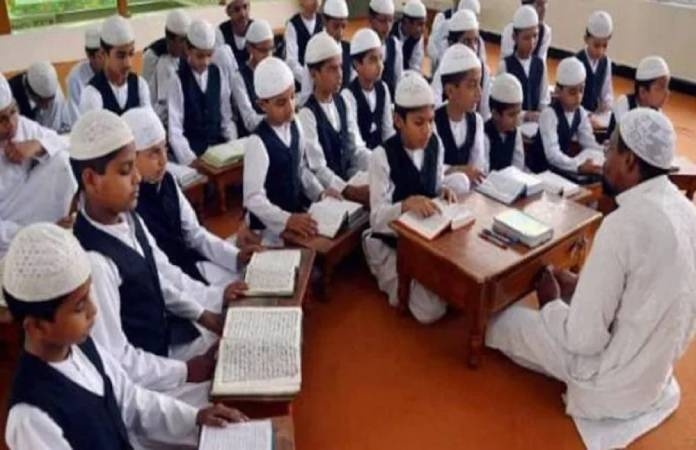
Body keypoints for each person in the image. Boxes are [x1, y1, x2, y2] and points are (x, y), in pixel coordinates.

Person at [487, 108, 696, 450]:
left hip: (612, 383)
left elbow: (583, 340)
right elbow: (645, 296)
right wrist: (579, 288)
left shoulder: (622, 225)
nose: (604, 157)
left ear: (630, 160)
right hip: (656, 375)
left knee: (501, 322)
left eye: (610, 148)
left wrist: (550, 300)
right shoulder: (688, 212)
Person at [2, 223, 246, 450]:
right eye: (79, 306)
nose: (93, 310)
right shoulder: (30, 416)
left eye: (89, 297)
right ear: (37, 327)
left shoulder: (82, 348)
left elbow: (131, 401)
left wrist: (194, 418)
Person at [68, 110, 244, 365]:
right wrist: (186, 372)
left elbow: (159, 276)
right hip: (149, 366)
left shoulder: (128, 217)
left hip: (164, 339)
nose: (137, 177)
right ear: (91, 179)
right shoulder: (95, 260)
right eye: (126, 170)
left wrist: (204, 314)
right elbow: (121, 363)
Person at [363, 72, 469, 324]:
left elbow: (435, 182)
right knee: (430, 310)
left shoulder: (435, 144)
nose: (427, 130)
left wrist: (442, 190)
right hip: (389, 241)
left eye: (431, 121)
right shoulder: (381, 157)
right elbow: (376, 219)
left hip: (425, 238)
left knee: (460, 290)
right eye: (419, 123)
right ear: (398, 121)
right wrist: (405, 205)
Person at [125, 107, 255, 287]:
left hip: (189, 263)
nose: (163, 160)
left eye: (165, 149)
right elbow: (161, 273)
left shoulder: (168, 181)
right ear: (132, 158)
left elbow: (195, 234)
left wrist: (235, 256)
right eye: (153, 153)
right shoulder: (128, 204)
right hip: (170, 283)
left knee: (246, 276)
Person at [242, 57, 327, 245]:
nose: (290, 108)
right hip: (267, 229)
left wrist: (320, 193)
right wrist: (286, 220)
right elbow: (253, 198)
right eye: (281, 103)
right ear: (262, 105)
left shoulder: (296, 124)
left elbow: (300, 169)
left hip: (295, 215)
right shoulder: (257, 142)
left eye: (292, 97)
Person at [0, 75, 76, 258]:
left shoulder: (22, 126)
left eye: (13, 112)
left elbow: (68, 142)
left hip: (31, 209)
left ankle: (63, 226)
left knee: (62, 161)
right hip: (8, 231)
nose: (11, 124)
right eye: (1, 119)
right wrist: (37, 234)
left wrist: (37, 146)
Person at [299, 32, 372, 206]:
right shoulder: (307, 114)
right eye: (332, 69)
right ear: (314, 74)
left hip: (347, 181)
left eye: (340, 67)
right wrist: (348, 190)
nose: (340, 74)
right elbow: (318, 169)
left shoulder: (343, 101)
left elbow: (355, 148)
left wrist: (379, 162)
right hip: (327, 194)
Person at [168, 18, 236, 166]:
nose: (205, 62)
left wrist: (233, 146)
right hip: (192, 154)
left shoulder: (218, 74)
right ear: (187, 50)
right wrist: (190, 160)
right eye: (200, 56)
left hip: (218, 152)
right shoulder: (177, 80)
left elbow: (226, 119)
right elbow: (175, 131)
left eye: (209, 55)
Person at [528, 57, 603, 176]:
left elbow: (589, 142)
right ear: (558, 91)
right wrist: (578, 167)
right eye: (572, 92)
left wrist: (606, 152)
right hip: (539, 172)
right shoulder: (549, 115)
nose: (578, 97)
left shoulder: (580, 112)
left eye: (581, 90)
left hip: (560, 171)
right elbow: (552, 155)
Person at [433, 44, 486, 186]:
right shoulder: (432, 122)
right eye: (472, 85)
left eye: (479, 84)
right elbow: (431, 169)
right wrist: (457, 170)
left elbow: (477, 169)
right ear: (450, 91)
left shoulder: (476, 121)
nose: (479, 93)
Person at [79, 15, 151, 115]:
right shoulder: (92, 94)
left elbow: (148, 122)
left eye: (131, 54)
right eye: (120, 56)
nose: (128, 63)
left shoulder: (140, 85)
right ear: (103, 54)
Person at [431, 9, 491, 119]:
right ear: (452, 43)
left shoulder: (483, 69)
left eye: (475, 41)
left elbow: (485, 111)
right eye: (467, 41)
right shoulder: (445, 69)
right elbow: (435, 106)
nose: (473, 47)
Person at [341, 28, 395, 150]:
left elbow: (388, 131)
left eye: (380, 58)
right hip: (360, 158)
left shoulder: (383, 88)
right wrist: (375, 159)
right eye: (373, 60)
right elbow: (354, 142)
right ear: (357, 64)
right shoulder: (348, 95)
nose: (380, 65)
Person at [498, 5, 550, 128]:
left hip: (535, 126)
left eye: (535, 36)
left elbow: (544, 100)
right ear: (515, 37)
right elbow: (501, 105)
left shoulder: (540, 65)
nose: (532, 42)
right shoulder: (505, 65)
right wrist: (525, 115)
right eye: (526, 38)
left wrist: (541, 115)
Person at [298, 0, 353, 106]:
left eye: (343, 26)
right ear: (324, 21)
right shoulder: (315, 47)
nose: (340, 32)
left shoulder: (348, 48)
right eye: (336, 26)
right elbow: (306, 91)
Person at [141, 9, 191, 125]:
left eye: (187, 40)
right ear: (169, 39)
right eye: (182, 41)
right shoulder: (153, 56)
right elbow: (147, 96)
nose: (185, 46)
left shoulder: (188, 52)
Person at [229, 19, 275, 136]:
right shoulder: (239, 78)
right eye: (263, 50)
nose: (268, 55)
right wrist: (277, 116)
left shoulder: (276, 70)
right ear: (249, 48)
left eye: (271, 49)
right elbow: (250, 121)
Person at [607, 56, 670, 136]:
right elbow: (624, 136)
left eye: (666, 87)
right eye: (660, 88)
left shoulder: (658, 114)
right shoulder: (624, 103)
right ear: (642, 92)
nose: (666, 93)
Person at [8, 61, 76, 133]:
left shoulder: (54, 91)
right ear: (29, 92)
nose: (46, 106)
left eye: (50, 100)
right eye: (41, 101)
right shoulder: (10, 97)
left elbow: (56, 128)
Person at [483, 73, 526, 172]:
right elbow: (484, 171)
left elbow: (518, 165)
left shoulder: (515, 132)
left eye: (518, 113)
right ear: (495, 114)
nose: (516, 120)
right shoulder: (484, 135)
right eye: (511, 115)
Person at [577, 11, 614, 118]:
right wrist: (587, 115)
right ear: (586, 39)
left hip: (595, 115)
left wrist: (607, 107)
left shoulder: (606, 63)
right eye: (596, 45)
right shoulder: (577, 62)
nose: (600, 51)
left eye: (605, 46)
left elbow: (606, 93)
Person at [427, 0, 482, 71]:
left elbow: (481, 61)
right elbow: (432, 45)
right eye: (466, 41)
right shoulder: (443, 19)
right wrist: (438, 60)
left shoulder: (477, 38)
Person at [66, 25, 104, 114]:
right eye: (100, 56)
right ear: (89, 56)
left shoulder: (113, 71)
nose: (105, 60)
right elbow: (75, 114)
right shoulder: (76, 79)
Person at [368, 0, 402, 97]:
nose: (387, 26)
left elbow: (398, 78)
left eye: (390, 21)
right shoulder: (362, 45)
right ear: (371, 19)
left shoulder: (394, 44)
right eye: (382, 21)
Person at [285, 0, 323, 85]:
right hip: (301, 82)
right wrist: (309, 80)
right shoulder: (293, 25)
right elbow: (292, 62)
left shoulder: (323, 21)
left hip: (322, 79)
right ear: (301, 2)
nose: (316, 1)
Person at [390, 0, 426, 72]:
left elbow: (415, 65)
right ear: (407, 22)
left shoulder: (417, 38)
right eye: (420, 24)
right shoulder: (390, 33)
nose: (423, 29)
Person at [217, 0, 254, 69]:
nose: (242, 14)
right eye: (237, 9)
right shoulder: (221, 32)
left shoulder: (256, 28)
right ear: (228, 12)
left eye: (245, 7)